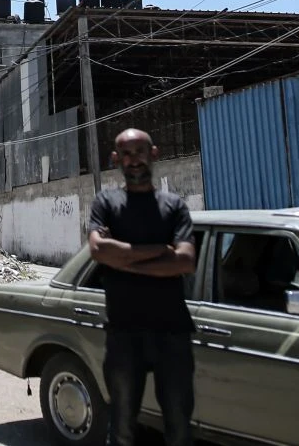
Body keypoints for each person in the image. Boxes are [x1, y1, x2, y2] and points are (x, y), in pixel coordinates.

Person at [88, 128, 197, 446]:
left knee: (179, 431)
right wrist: (162, 249)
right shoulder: (105, 203)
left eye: (139, 152)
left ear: (154, 154)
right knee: (122, 431)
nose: (133, 160)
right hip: (123, 334)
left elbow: (185, 261)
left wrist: (121, 259)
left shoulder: (174, 206)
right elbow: (98, 250)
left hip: (173, 334)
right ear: (115, 159)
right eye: (126, 153)